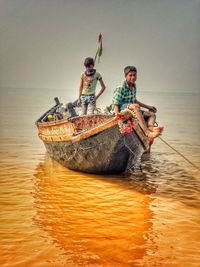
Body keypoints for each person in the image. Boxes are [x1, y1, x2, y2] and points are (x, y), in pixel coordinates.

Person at [112, 65, 163, 141]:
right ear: (125, 76)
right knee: (135, 106)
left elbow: (134, 100)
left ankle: (150, 129)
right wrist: (117, 117)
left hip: (132, 108)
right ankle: (147, 133)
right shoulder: (120, 88)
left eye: (134, 75)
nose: (133, 77)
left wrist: (148, 107)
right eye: (130, 75)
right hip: (122, 110)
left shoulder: (133, 86)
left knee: (152, 114)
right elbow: (115, 104)